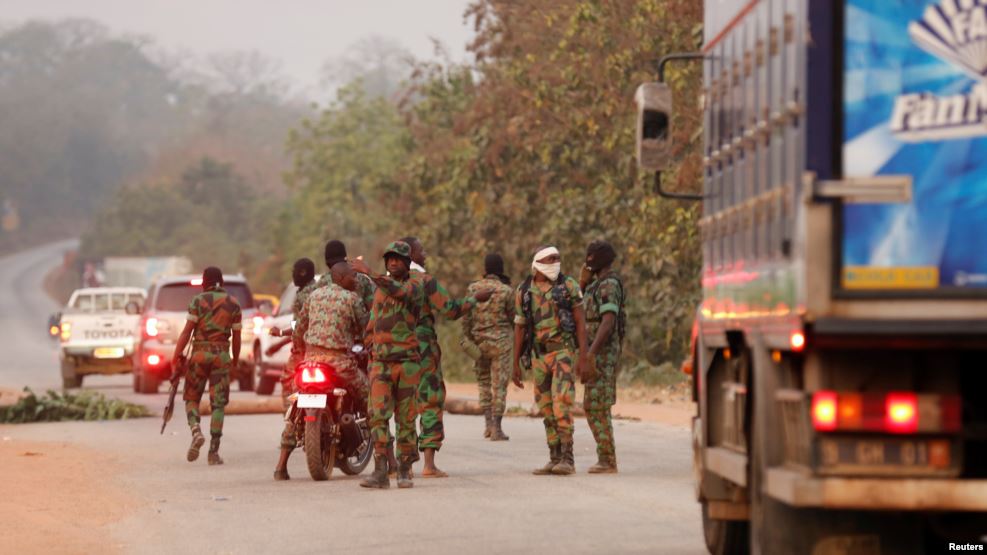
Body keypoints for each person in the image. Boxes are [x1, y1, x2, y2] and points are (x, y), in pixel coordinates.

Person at [401, 236, 490, 478]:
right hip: (422, 347)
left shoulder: (389, 282)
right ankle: (429, 465)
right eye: (421, 250)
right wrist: (474, 300)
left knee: (402, 403)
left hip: (395, 348)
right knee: (429, 399)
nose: (425, 254)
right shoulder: (425, 282)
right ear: (411, 254)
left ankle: (401, 465)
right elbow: (450, 309)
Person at [273, 261, 370, 480]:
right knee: (369, 397)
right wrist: (366, 345)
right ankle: (386, 458)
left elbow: (300, 326)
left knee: (295, 408)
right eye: (352, 277)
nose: (355, 280)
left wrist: (300, 351)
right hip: (340, 363)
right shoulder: (352, 298)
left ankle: (281, 466)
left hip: (311, 361)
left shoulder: (313, 296)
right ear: (341, 278)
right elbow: (364, 329)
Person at [351, 241, 426, 489]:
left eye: (398, 259)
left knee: (406, 418)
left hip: (406, 363)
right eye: (389, 259)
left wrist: (369, 272)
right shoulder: (380, 288)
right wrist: (369, 343)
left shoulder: (415, 283)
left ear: (407, 262)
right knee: (377, 416)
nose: (393, 262)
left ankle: (405, 469)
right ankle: (380, 470)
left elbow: (401, 293)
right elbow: (373, 318)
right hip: (381, 363)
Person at [512, 246, 589, 476]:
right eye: (550, 259)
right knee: (545, 406)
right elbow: (519, 327)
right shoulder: (524, 291)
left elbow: (580, 321)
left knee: (562, 402)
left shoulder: (568, 287)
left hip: (563, 352)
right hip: (539, 356)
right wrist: (514, 363)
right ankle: (554, 456)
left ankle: (568, 457)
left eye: (558, 258)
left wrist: (583, 355)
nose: (556, 262)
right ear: (537, 263)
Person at [171, 267, 242, 466]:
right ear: (222, 282)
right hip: (221, 356)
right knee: (218, 404)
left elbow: (187, 332)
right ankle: (213, 452)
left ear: (204, 282)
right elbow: (236, 337)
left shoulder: (198, 301)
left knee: (191, 398)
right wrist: (234, 361)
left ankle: (196, 431)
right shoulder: (234, 303)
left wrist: (176, 356)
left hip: (200, 355)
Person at [579, 240, 626, 474]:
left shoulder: (608, 285)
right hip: (595, 353)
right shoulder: (596, 285)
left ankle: (607, 459)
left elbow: (607, 323)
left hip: (603, 354)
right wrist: (583, 283)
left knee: (597, 405)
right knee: (593, 404)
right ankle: (605, 456)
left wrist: (591, 354)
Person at [462, 253, 514, 441]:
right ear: (500, 270)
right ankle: (497, 429)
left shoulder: (473, 289)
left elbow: (466, 317)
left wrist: (468, 339)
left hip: (478, 343)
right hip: (500, 344)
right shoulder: (506, 291)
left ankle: (487, 425)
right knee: (499, 385)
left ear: (485, 269)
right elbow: (512, 317)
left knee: (483, 383)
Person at [267, 258, 318, 409]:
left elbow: (299, 326)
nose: (293, 276)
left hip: (302, 351)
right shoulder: (317, 290)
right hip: (321, 350)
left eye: (294, 272)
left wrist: (281, 333)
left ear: (302, 273)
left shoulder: (303, 295)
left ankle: (291, 426)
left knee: (288, 381)